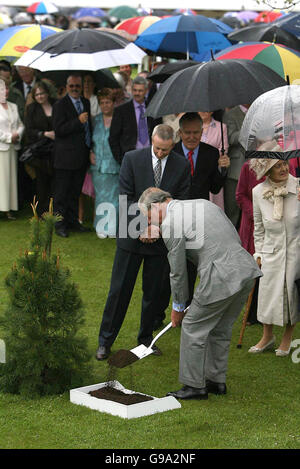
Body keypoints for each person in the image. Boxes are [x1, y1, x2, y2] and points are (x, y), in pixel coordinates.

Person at [138, 187, 262, 400]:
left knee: (193, 326)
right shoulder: (204, 203)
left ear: (158, 205)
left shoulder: (170, 224)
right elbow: (230, 236)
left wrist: (178, 307)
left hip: (220, 275)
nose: (153, 223)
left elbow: (177, 271)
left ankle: (194, 386)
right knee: (221, 328)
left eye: (150, 217)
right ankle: (216, 381)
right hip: (245, 269)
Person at [95, 124, 190, 360]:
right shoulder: (132, 159)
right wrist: (142, 226)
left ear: (173, 145)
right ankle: (105, 341)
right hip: (131, 236)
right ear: (152, 141)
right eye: (157, 148)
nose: (160, 153)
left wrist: (157, 227)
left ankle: (146, 340)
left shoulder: (182, 165)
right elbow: (125, 196)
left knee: (154, 293)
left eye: (165, 150)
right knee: (119, 291)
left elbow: (182, 201)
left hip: (161, 239)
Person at [172, 112, 230, 308]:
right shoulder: (171, 153)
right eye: (187, 133)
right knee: (171, 265)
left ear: (202, 131)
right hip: (175, 217)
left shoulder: (211, 153)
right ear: (179, 132)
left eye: (196, 132)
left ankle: (186, 306)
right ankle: (163, 310)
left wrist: (222, 170)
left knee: (192, 264)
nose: (191, 137)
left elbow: (214, 188)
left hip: (199, 218)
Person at [248, 159, 300, 356]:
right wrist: (259, 252)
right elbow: (259, 227)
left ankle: (287, 337)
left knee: (291, 295)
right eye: (277, 166)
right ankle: (267, 336)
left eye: (285, 164)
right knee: (268, 294)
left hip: (296, 251)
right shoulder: (258, 192)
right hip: (270, 251)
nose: (284, 168)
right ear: (267, 171)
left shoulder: (298, 186)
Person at [52, 74, 92, 238]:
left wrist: (91, 149)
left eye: (78, 86)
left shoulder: (86, 102)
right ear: (67, 87)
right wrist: (77, 121)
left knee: (75, 192)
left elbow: (89, 128)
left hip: (81, 156)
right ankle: (60, 225)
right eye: (72, 86)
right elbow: (59, 130)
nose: (75, 89)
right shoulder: (59, 105)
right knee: (62, 193)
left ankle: (73, 222)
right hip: (65, 158)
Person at [108, 76, 161, 164]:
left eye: (140, 91)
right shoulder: (121, 111)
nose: (137, 93)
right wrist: (121, 160)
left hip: (151, 157)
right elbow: (113, 138)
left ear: (146, 91)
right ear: (132, 90)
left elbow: (158, 132)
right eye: (135, 90)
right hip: (129, 158)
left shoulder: (153, 109)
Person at [90, 89, 120, 238]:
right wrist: (90, 152)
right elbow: (89, 140)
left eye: (107, 102)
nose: (105, 105)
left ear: (113, 103)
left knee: (114, 198)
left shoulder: (119, 119)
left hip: (115, 164)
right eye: (102, 103)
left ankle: (112, 227)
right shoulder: (95, 120)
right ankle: (101, 226)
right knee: (101, 197)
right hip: (98, 165)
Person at [24, 81, 56, 217]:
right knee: (42, 182)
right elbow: (29, 130)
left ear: (47, 93)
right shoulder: (32, 109)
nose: (40, 96)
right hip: (40, 151)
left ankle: (55, 210)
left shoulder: (56, 104)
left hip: (56, 149)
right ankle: (42, 212)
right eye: (37, 94)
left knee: (56, 181)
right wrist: (45, 134)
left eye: (42, 93)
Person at [0, 78, 24, 219]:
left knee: (10, 180)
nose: (5, 91)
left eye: (6, 88)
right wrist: (9, 137)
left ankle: (9, 209)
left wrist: (17, 135)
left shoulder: (13, 106)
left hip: (12, 149)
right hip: (1, 148)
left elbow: (21, 124)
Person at [78, 73, 100, 224]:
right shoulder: (78, 100)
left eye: (89, 82)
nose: (86, 84)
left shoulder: (96, 101)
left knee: (92, 182)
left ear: (94, 84)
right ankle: (80, 214)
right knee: (80, 182)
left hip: (93, 142)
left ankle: (94, 214)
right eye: (84, 82)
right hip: (79, 144)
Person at [223, 105, 249, 229]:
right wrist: (248, 129)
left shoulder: (259, 110)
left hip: (256, 167)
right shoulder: (231, 114)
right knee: (232, 210)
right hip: (235, 169)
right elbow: (230, 138)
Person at [199, 110, 229, 210]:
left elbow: (224, 148)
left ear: (212, 111)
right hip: (197, 169)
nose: (202, 112)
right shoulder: (193, 126)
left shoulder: (221, 126)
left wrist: (210, 158)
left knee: (215, 205)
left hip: (214, 169)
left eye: (205, 110)